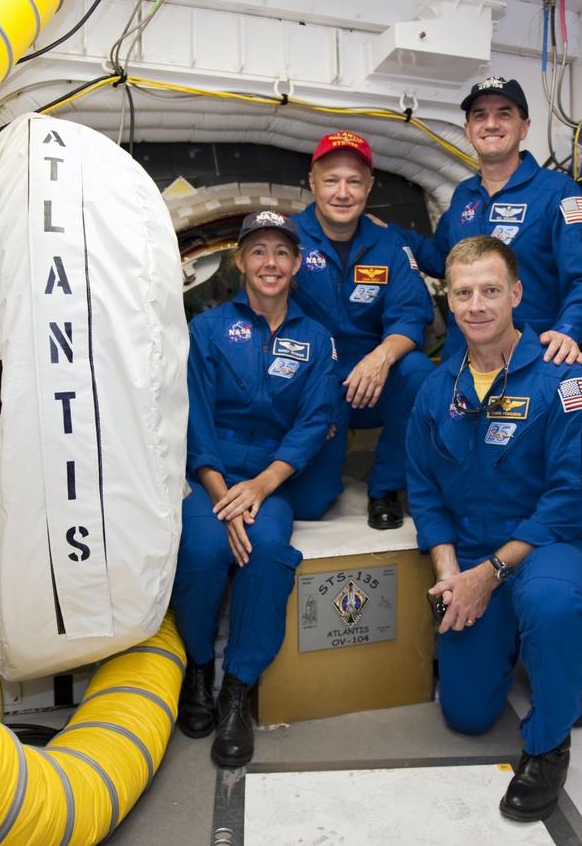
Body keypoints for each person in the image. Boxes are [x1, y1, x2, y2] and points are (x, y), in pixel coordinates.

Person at [406, 236, 582, 821]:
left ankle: (549, 744)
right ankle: (542, 665)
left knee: (553, 607)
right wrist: (450, 571)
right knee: (468, 717)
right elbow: (423, 489)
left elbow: (573, 498)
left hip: (544, 542)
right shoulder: (434, 389)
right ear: (449, 301)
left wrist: (491, 575)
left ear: (516, 294)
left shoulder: (562, 379)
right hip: (470, 550)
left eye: (491, 291)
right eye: (463, 293)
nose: (476, 305)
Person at [172, 211, 337, 768]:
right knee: (201, 549)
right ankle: (197, 669)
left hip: (273, 480)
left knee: (265, 552)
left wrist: (260, 490)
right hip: (210, 477)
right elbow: (194, 418)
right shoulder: (208, 330)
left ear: (296, 265)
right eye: (259, 251)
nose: (271, 263)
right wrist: (223, 497)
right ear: (240, 261)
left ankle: (237, 689)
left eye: (282, 253)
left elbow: (314, 423)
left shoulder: (316, 340)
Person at [394, 76, 582, 367]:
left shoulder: (559, 192)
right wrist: (387, 234)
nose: (491, 124)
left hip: (532, 359)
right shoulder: (464, 196)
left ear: (524, 127)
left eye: (504, 114)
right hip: (463, 362)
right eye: (480, 116)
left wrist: (566, 331)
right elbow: (438, 258)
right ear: (468, 130)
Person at [284, 130, 435, 530]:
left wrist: (381, 357)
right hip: (315, 383)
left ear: (368, 187)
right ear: (313, 182)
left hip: (373, 382)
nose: (342, 192)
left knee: (419, 372)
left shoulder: (389, 245)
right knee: (310, 504)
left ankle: (385, 486)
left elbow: (411, 315)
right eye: (331, 180)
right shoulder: (287, 239)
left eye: (353, 181)